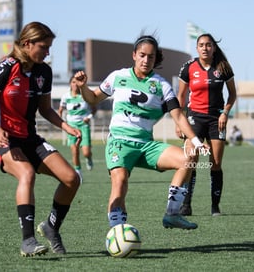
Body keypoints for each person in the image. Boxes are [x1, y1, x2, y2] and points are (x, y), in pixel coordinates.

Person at [74, 35, 208, 230]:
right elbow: (93, 99)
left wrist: (196, 142)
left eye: (151, 57)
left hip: (146, 145)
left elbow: (178, 116)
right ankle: (118, 232)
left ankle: (172, 213)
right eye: (142, 55)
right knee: (120, 183)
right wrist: (82, 87)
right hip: (120, 142)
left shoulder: (162, 85)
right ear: (134, 55)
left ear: (155, 59)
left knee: (187, 159)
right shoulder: (117, 77)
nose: (146, 60)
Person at [0, 22, 82, 257]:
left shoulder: (43, 72)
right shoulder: (6, 67)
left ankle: (51, 227)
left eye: (49, 48)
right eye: (44, 47)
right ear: (27, 44)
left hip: (29, 138)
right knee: (27, 173)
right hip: (0, 139)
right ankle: (27, 241)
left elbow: (45, 109)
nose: (47, 53)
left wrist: (66, 126)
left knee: (71, 178)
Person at [176, 33, 237, 216]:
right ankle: (186, 205)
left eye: (208, 45)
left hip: (216, 120)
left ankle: (215, 206)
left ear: (214, 48)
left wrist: (225, 113)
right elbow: (180, 96)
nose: (205, 48)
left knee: (215, 163)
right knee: (191, 160)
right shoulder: (188, 67)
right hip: (194, 118)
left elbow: (232, 94)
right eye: (201, 45)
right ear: (197, 48)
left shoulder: (223, 67)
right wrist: (180, 122)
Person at [58, 76, 97, 179]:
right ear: (70, 84)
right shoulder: (66, 96)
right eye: (73, 82)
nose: (75, 84)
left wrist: (89, 117)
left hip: (83, 126)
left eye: (77, 82)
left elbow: (94, 109)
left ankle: (89, 158)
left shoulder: (85, 96)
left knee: (86, 152)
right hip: (71, 127)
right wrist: (63, 122)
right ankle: (78, 173)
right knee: (75, 151)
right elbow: (60, 110)